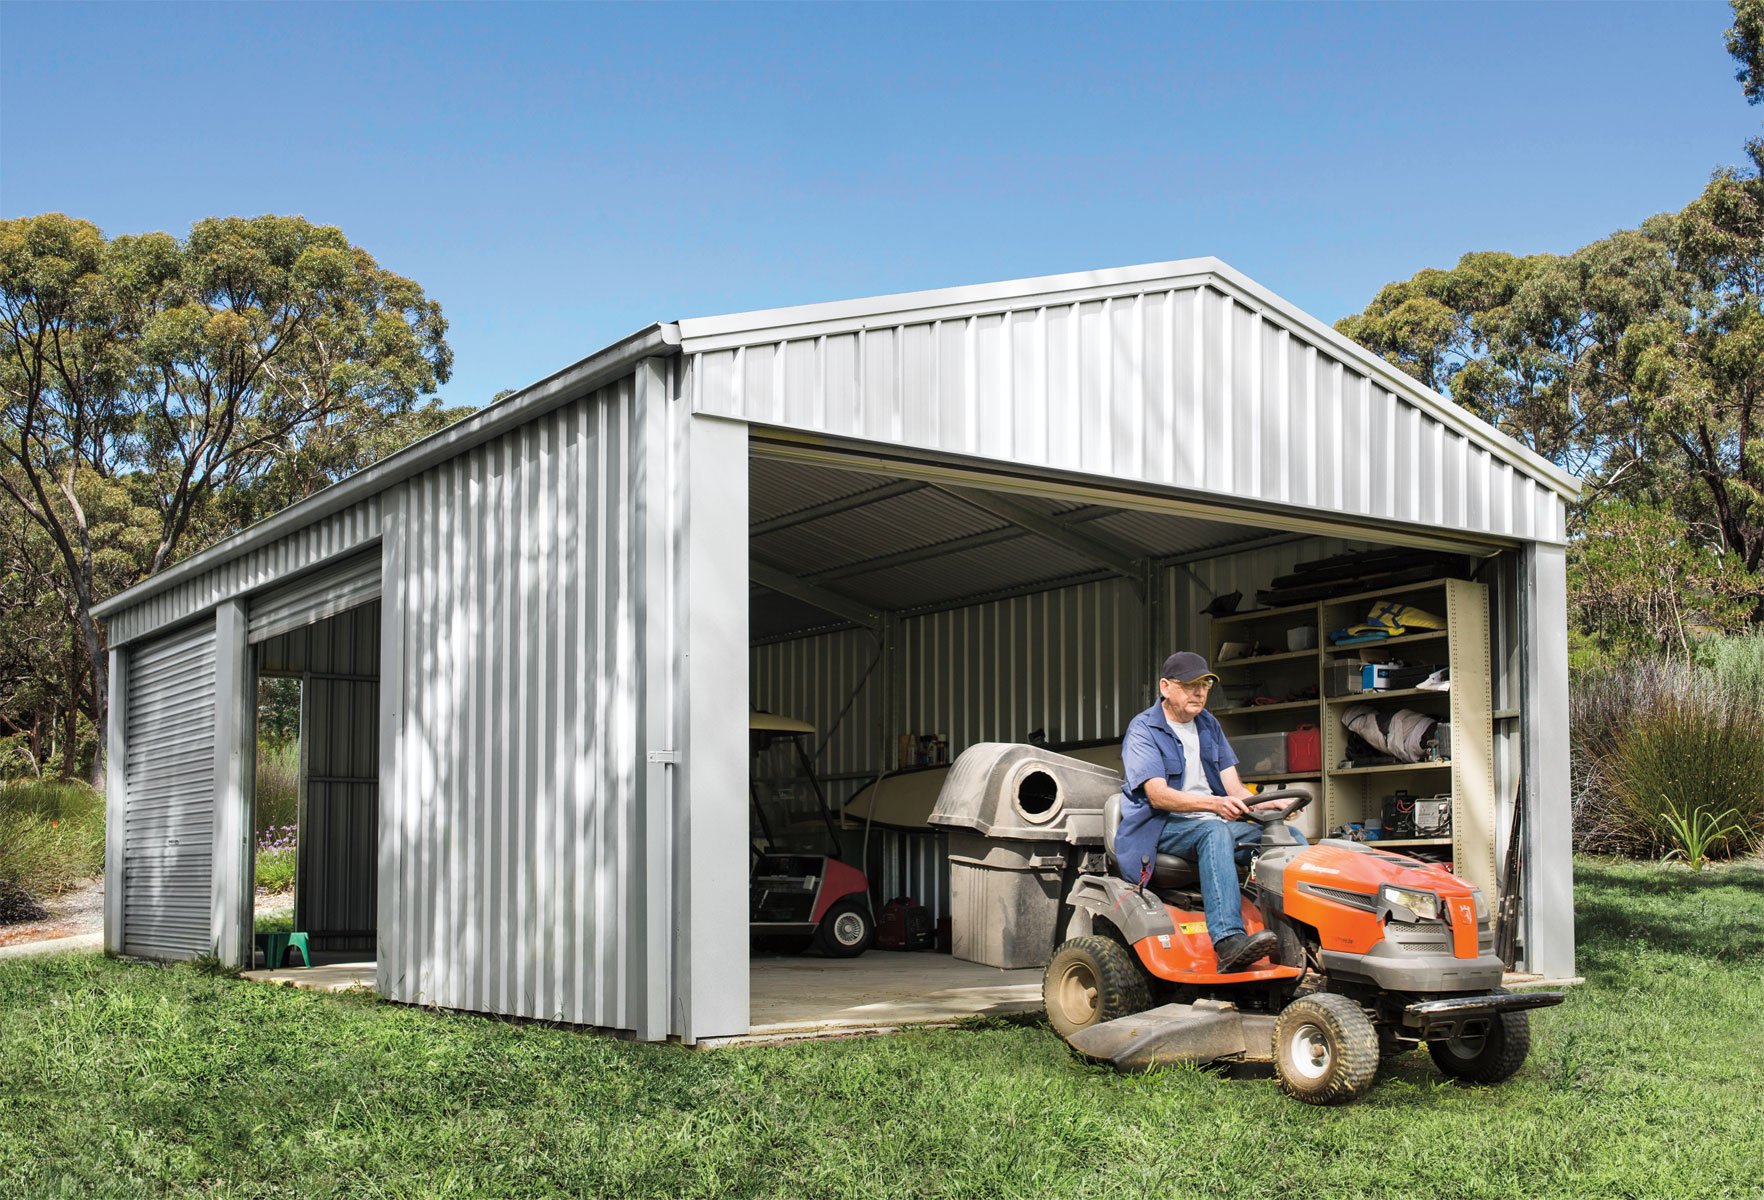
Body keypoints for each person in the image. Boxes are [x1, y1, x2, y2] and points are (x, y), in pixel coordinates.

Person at [1116, 650, 1309, 974]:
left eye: (1204, 685)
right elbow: (1158, 796)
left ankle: (1300, 932)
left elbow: (1234, 790)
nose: (1199, 693)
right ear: (1166, 687)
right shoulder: (1144, 729)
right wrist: (1214, 806)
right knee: (1214, 830)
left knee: (1288, 837)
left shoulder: (1208, 724)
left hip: (1210, 821)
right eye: (1190, 685)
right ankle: (1228, 942)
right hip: (1162, 827)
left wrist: (1267, 803)